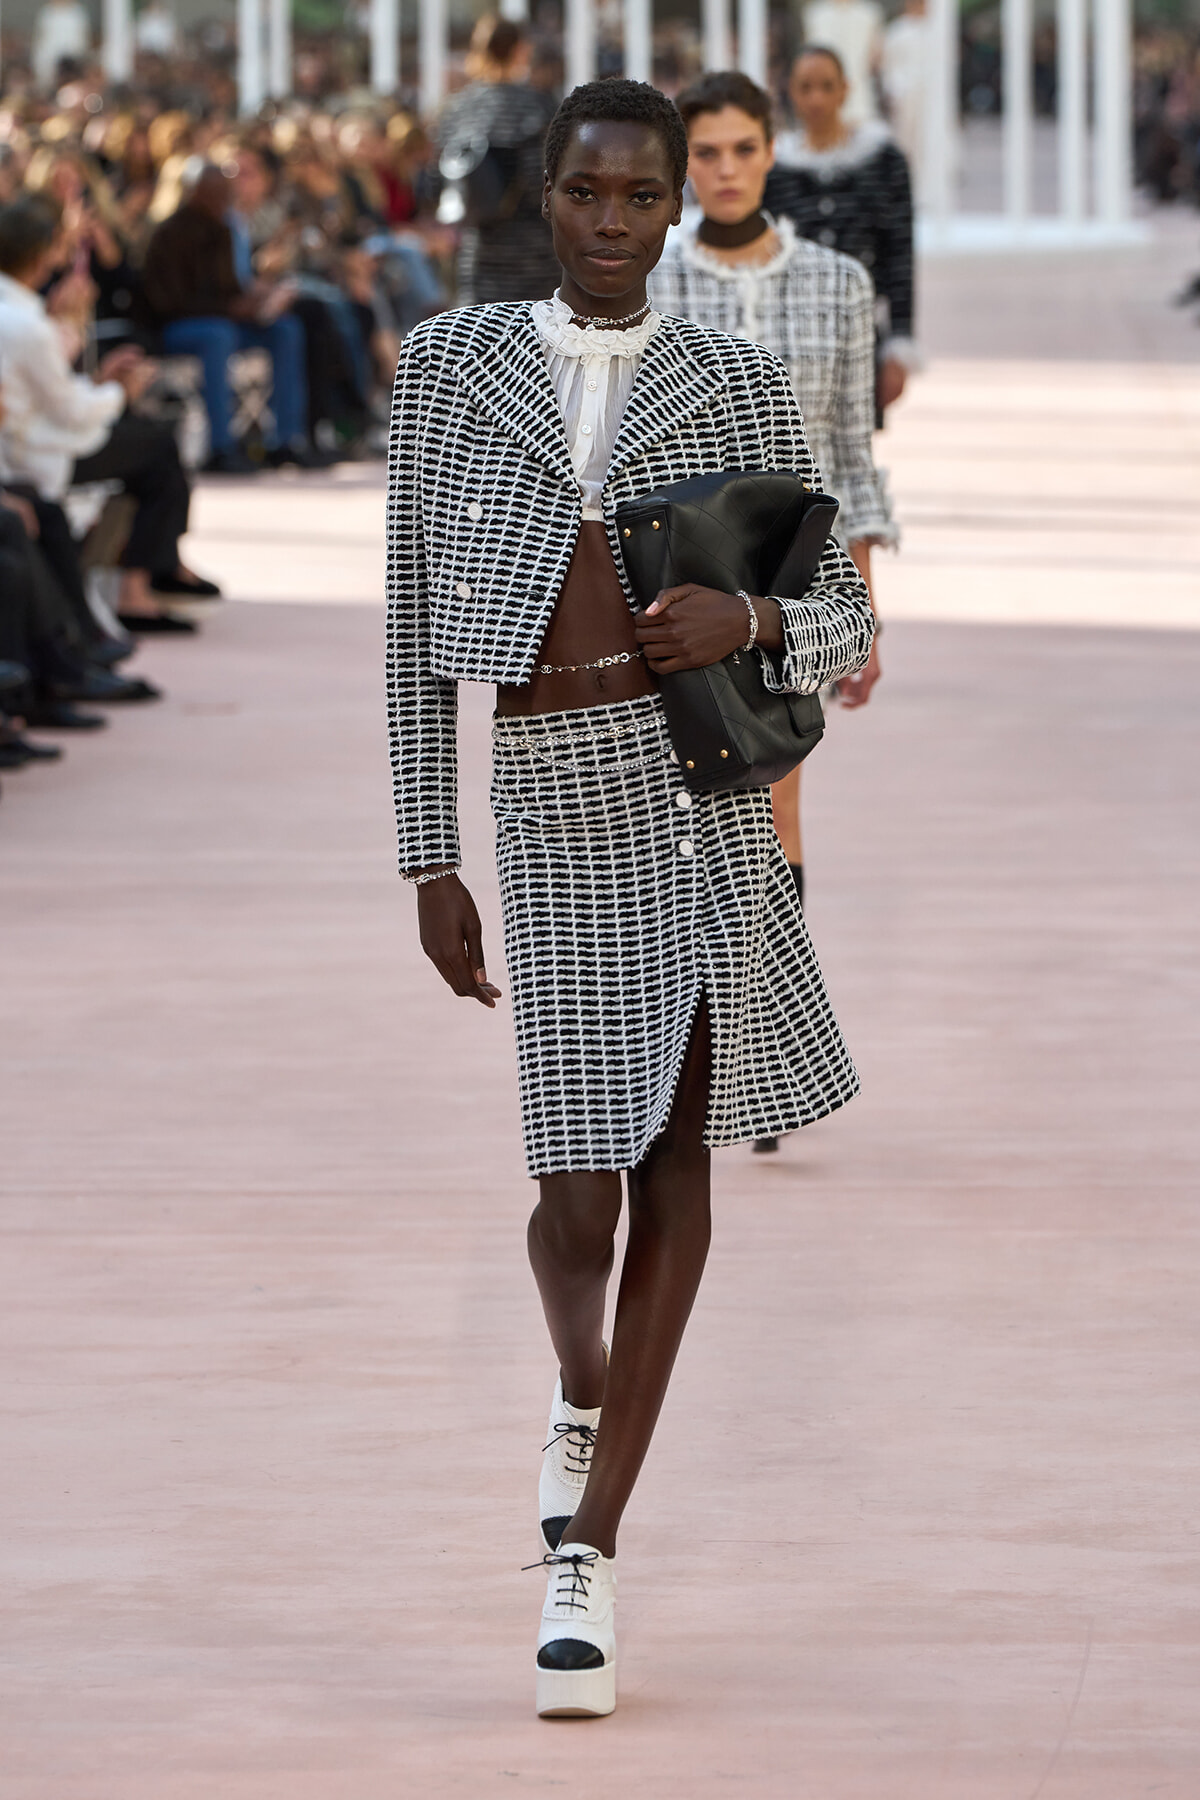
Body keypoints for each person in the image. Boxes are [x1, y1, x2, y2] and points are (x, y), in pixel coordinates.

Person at [386, 78, 873, 1719]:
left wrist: (746, 629)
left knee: (673, 1165)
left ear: (676, 205)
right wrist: (424, 854)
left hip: (692, 808)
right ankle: (580, 1384)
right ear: (546, 194)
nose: (614, 224)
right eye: (588, 195)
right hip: (543, 798)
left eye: (642, 197)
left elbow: (827, 621)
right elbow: (404, 630)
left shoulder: (732, 379)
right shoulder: (449, 368)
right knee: (572, 1200)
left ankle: (588, 1550)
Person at [650, 69, 891, 1150]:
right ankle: (693, 1047)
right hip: (676, 582)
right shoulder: (650, 282)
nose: (728, 170)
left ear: (772, 151)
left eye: (745, 149)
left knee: (772, 803)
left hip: (789, 595)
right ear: (682, 163)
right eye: (707, 153)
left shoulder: (837, 283)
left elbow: (850, 457)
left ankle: (753, 1054)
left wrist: (864, 610)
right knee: (681, 821)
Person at [0, 197, 216, 640]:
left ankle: (146, 576)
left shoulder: (22, 313)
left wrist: (99, 378)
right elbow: (67, 408)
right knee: (158, 447)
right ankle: (138, 587)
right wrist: (117, 391)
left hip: (35, 439)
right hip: (38, 452)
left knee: (151, 444)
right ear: (43, 255)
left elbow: (48, 389)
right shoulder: (24, 320)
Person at [765, 45, 919, 417]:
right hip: (789, 336)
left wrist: (899, 343)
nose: (816, 98)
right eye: (805, 87)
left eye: (826, 85)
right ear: (790, 90)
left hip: (862, 334)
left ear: (845, 89)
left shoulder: (883, 160)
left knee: (855, 450)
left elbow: (900, 252)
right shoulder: (774, 167)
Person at [140, 162, 319, 474]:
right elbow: (169, 303)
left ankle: (287, 441)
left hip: (223, 321)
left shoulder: (223, 230)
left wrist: (258, 301)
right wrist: (232, 308)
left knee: (285, 329)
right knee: (218, 334)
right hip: (177, 330)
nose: (223, 200)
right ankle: (220, 447)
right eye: (216, 193)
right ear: (195, 193)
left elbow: (230, 289)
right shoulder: (168, 234)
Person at [435, 14, 559, 304]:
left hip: (479, 249)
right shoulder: (538, 105)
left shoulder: (457, 108)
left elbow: (438, 178)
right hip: (535, 251)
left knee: (480, 338)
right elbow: (544, 176)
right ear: (520, 50)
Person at [802, 0, 886, 125]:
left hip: (860, 100)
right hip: (822, 102)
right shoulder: (816, 13)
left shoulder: (869, 13)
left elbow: (875, 58)